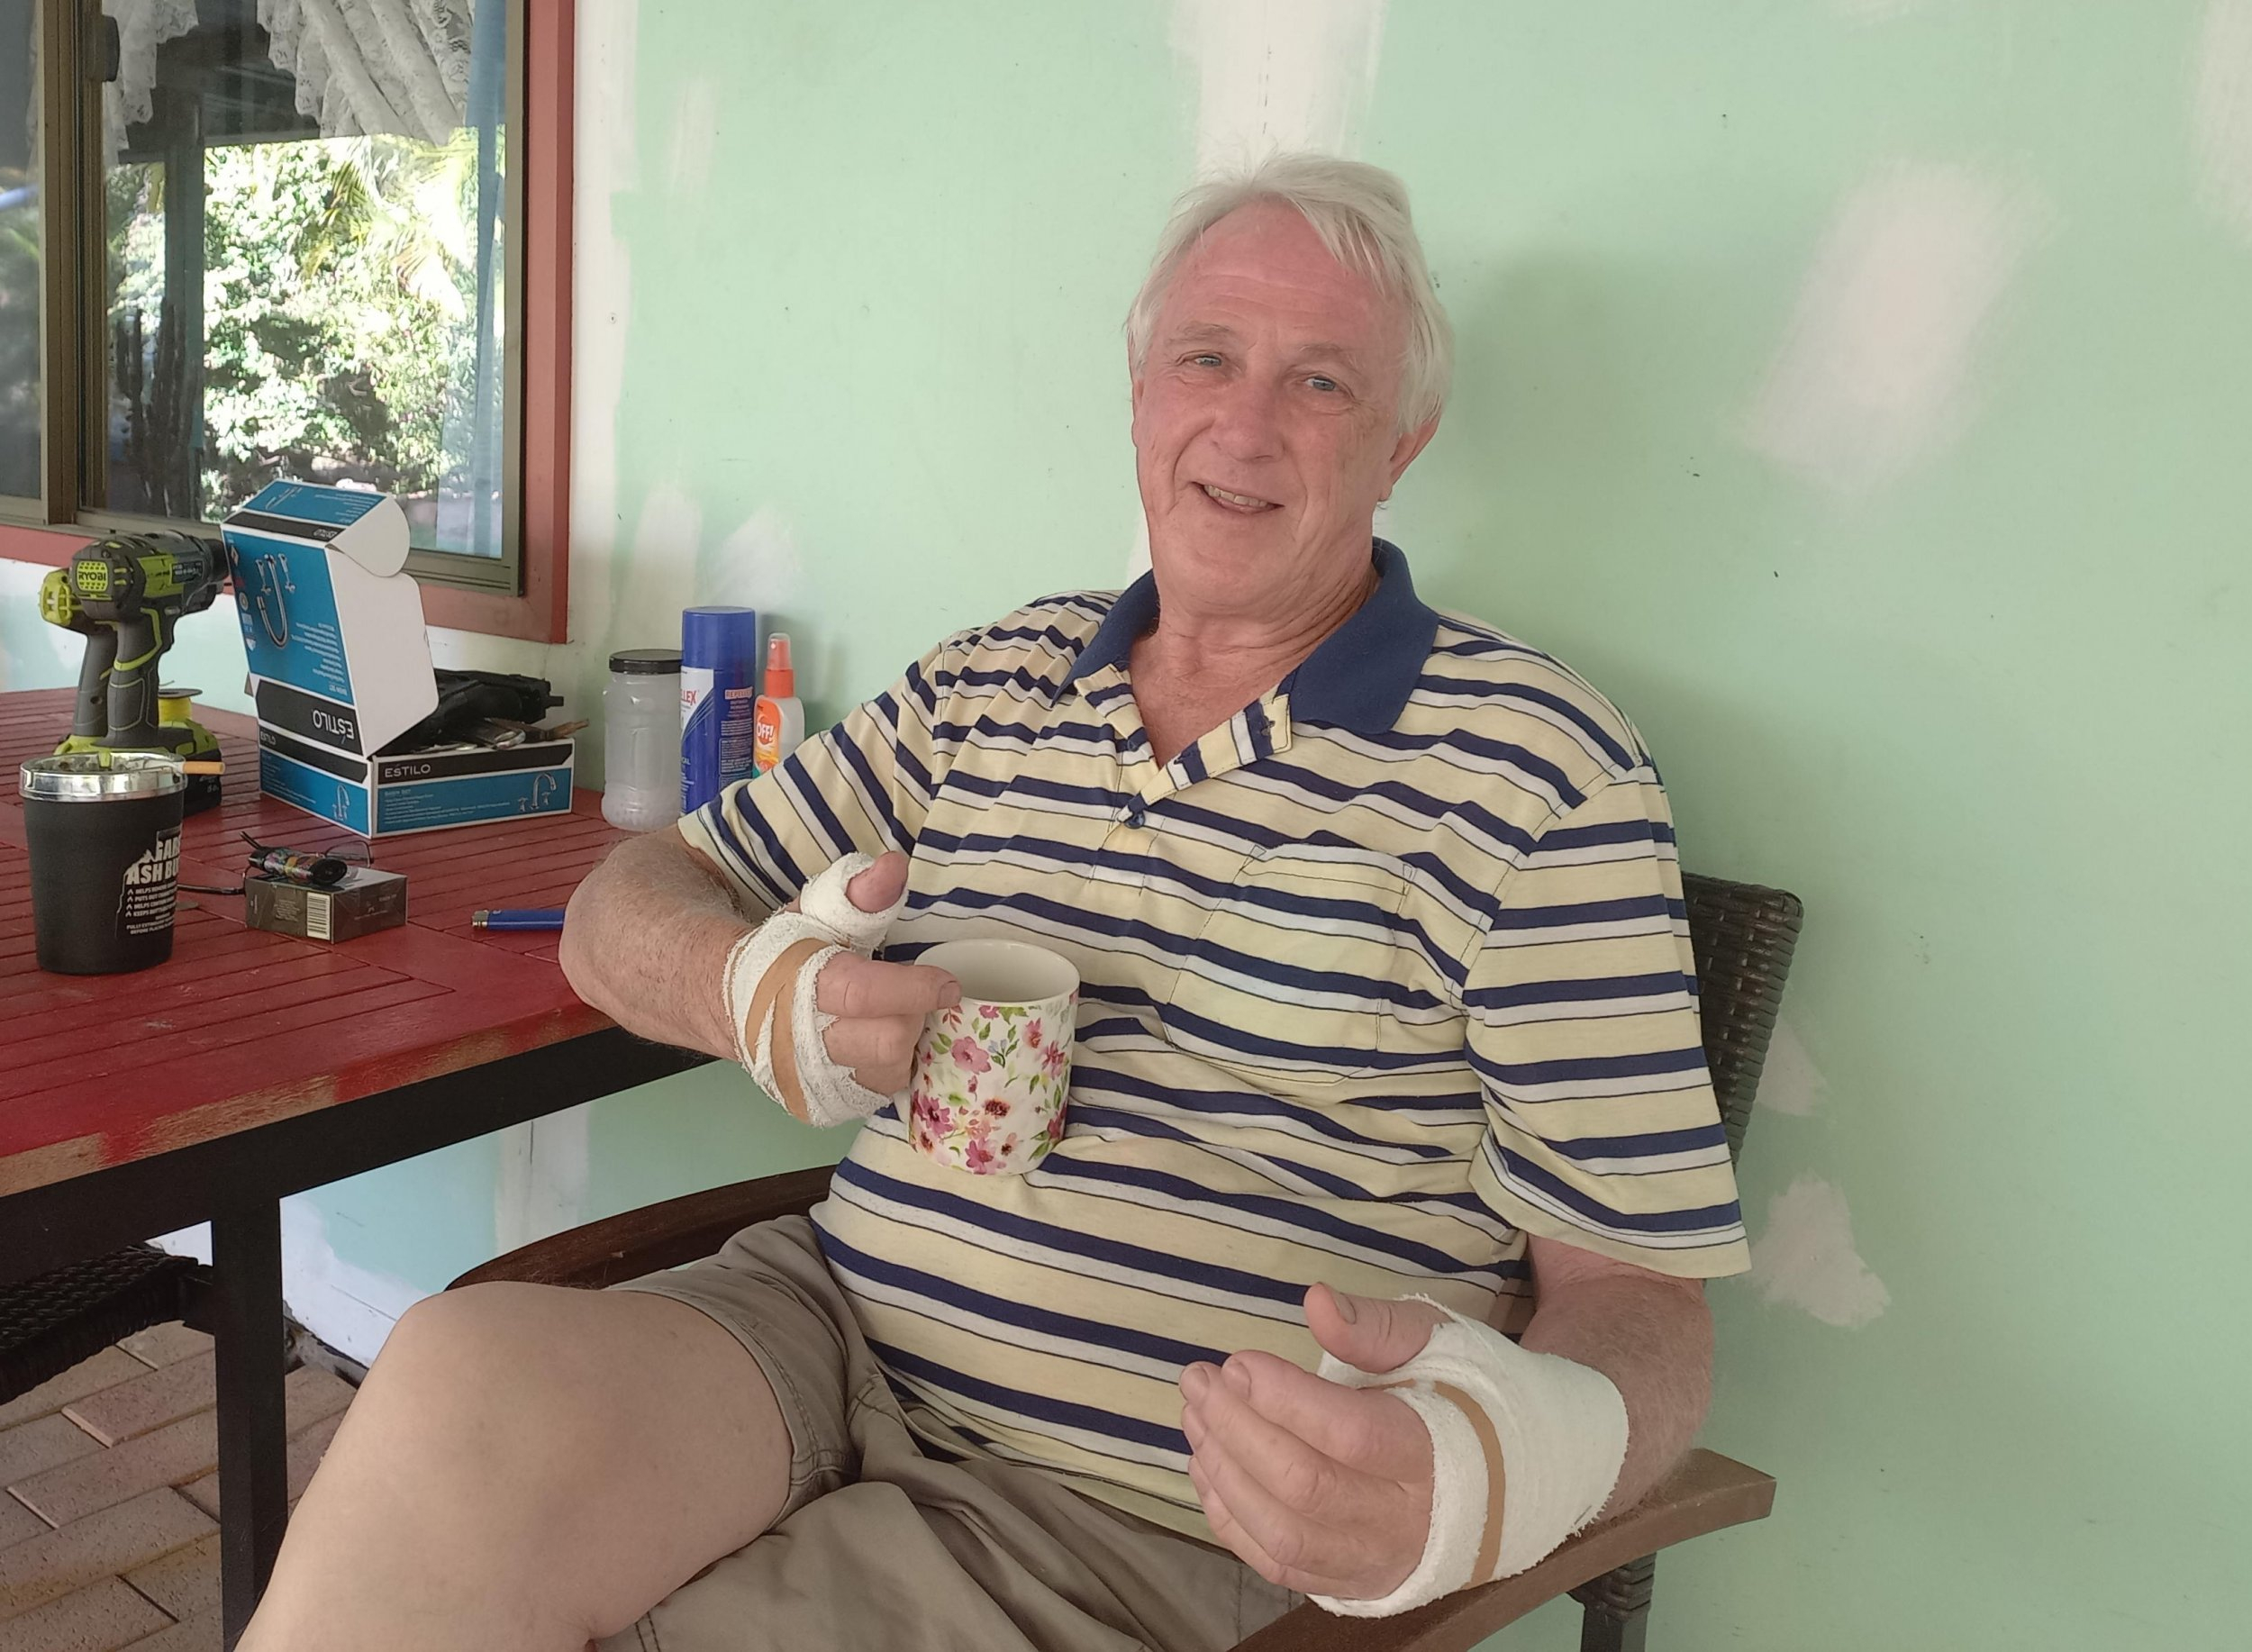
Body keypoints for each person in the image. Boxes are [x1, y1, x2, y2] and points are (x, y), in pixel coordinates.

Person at [241, 153, 1748, 1652]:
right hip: (818, 1334)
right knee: (453, 1383)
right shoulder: (998, 676)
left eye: (1322, 382)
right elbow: (623, 904)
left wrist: (1492, 1470)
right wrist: (759, 995)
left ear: (1402, 442)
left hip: (1131, 1513)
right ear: (1141, 393)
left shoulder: (1541, 767)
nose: (1244, 423)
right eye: (1205, 358)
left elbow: (1642, 1302)